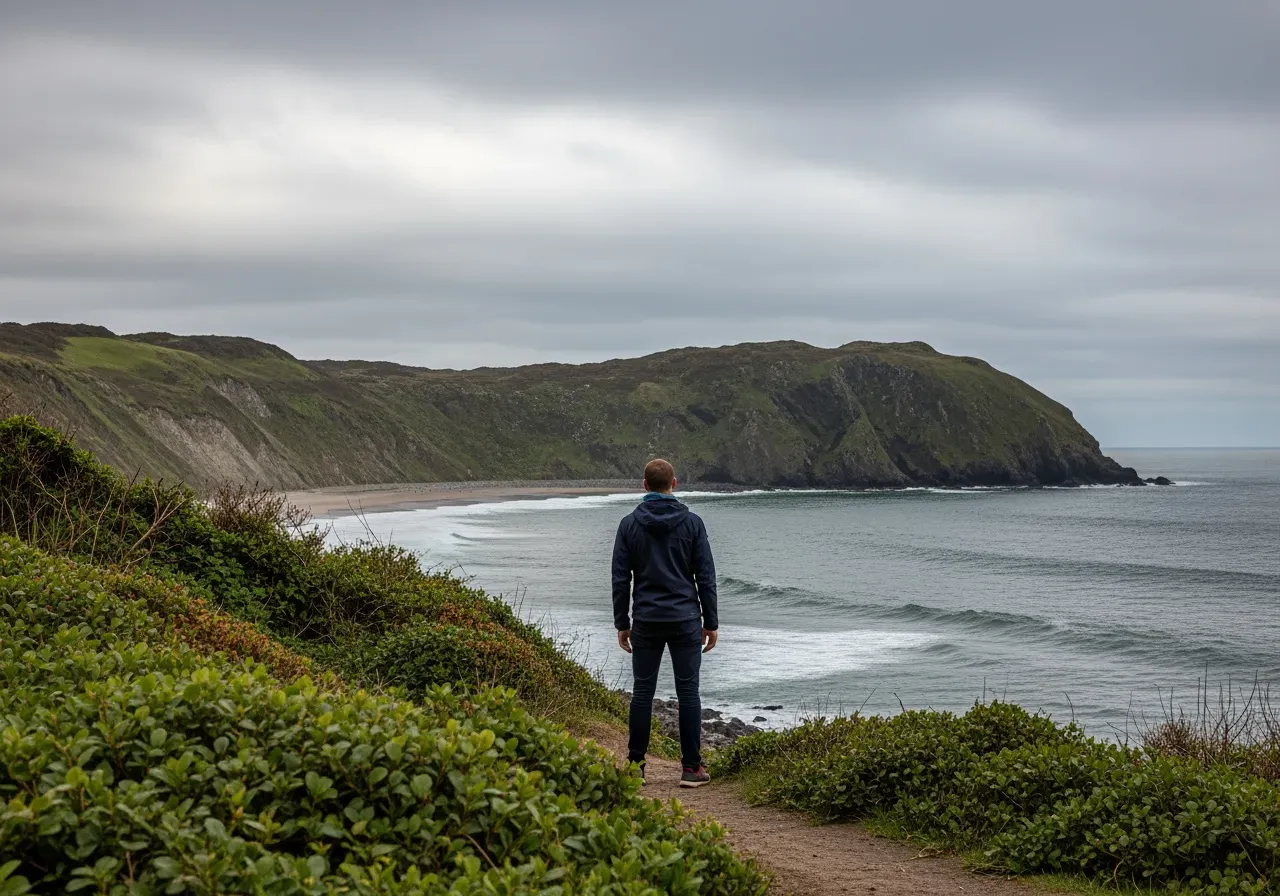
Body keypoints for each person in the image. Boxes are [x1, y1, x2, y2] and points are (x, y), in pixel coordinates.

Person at [612, 457, 718, 787]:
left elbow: (619, 579)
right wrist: (711, 622)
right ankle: (690, 768)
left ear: (644, 486)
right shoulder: (693, 524)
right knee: (688, 692)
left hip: (646, 618)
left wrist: (622, 622)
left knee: (642, 692)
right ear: (674, 484)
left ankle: (635, 767)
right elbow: (706, 577)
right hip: (685, 618)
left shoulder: (629, 524)